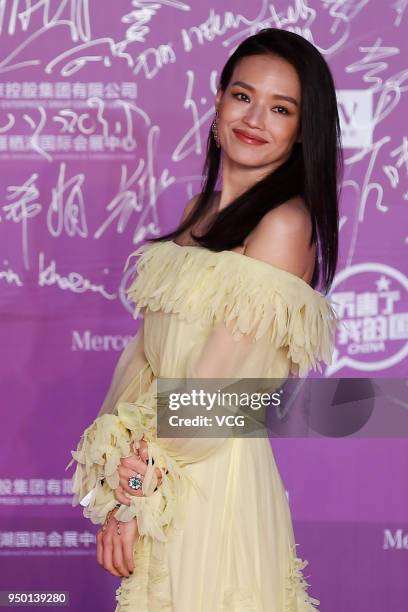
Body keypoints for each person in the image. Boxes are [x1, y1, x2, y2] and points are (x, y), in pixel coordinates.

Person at [66, 28, 342, 611]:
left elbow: (219, 393)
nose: (255, 118)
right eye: (243, 96)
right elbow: (141, 367)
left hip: (214, 481)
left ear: (302, 129)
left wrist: (138, 494)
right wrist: (122, 489)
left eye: (281, 108)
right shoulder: (199, 214)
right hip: (159, 478)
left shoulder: (284, 227)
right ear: (217, 103)